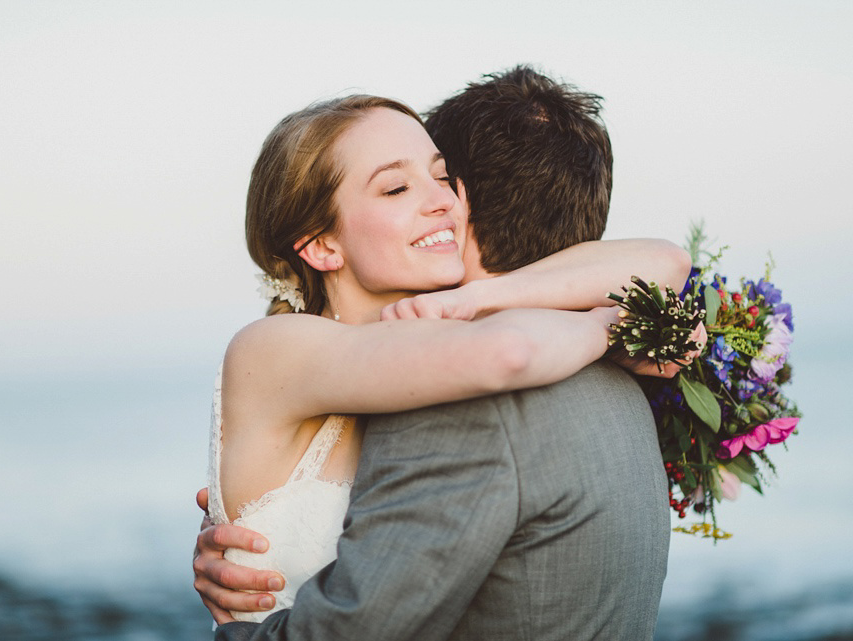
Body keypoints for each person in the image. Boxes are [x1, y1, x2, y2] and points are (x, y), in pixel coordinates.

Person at [198, 72, 691, 640]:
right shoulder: (274, 348)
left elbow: (667, 262)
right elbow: (507, 350)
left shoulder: (428, 346)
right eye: (395, 189)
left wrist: (485, 294)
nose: (440, 202)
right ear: (321, 245)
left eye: (442, 177)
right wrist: (608, 323)